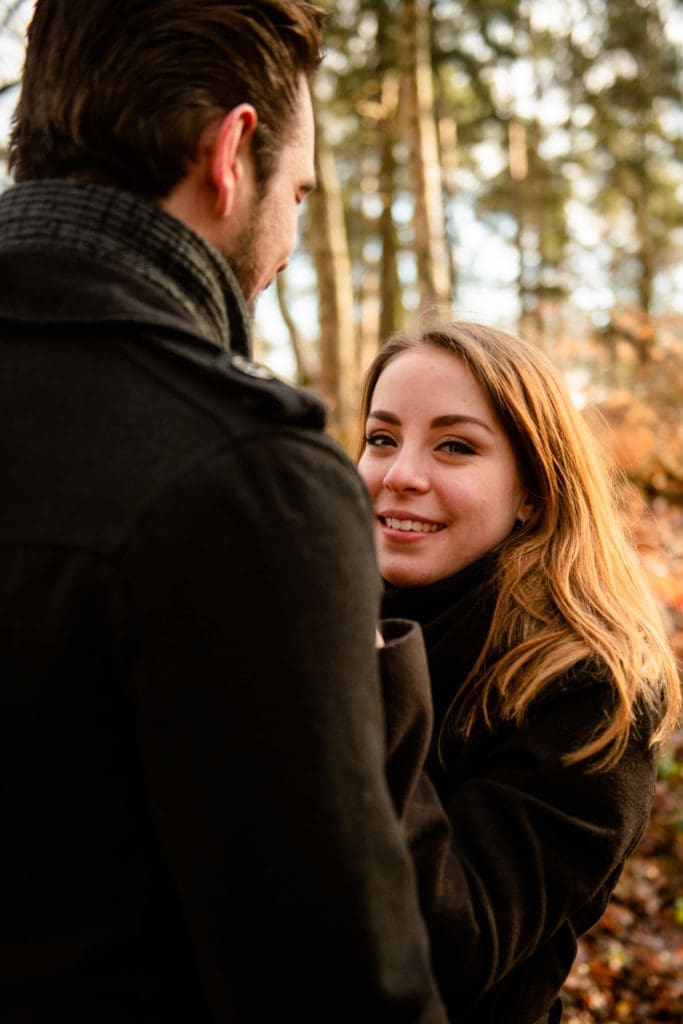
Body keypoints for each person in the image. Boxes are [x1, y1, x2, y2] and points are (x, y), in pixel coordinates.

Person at [0, 3, 450, 1021]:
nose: (288, 239)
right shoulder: (245, 481)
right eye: (297, 193)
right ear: (231, 152)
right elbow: (339, 983)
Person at [356, 318, 681, 1024]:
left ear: (532, 488)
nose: (400, 474)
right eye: (381, 438)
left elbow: (449, 945)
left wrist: (359, 680)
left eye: (454, 446)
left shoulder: (589, 690)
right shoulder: (320, 606)